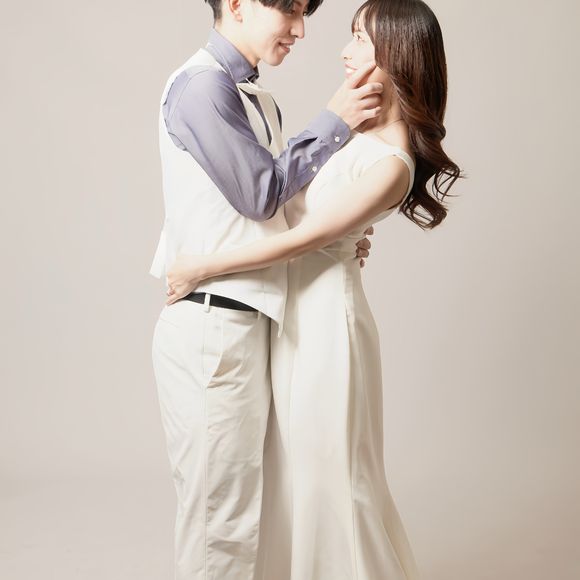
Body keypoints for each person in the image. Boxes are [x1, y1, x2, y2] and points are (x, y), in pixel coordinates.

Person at [164, 0, 463, 578]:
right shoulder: (350, 135)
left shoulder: (393, 160)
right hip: (291, 319)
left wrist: (202, 267)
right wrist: (342, 234)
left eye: (360, 38)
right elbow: (282, 202)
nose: (344, 50)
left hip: (328, 328)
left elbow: (305, 237)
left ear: (397, 53)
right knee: (295, 482)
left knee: (336, 484)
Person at [148, 0, 384, 578]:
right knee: (220, 524)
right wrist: (334, 119)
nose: (301, 30)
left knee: (244, 516)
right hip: (214, 326)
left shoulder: (256, 98)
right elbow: (259, 194)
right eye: (292, 11)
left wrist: (341, 235)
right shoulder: (202, 88)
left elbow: (274, 213)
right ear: (237, 4)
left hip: (247, 324)